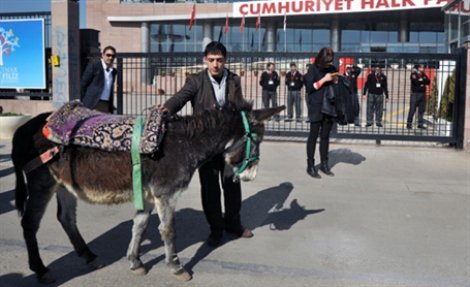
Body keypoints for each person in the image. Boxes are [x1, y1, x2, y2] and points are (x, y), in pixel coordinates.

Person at [161, 41, 253, 247]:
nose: (215, 65)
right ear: (205, 60)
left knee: (232, 185)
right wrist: (166, 109)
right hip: (206, 146)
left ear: (225, 60)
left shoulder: (234, 80)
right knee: (210, 188)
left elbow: (238, 106)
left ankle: (233, 224)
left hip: (230, 144)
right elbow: (181, 97)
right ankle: (216, 229)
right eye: (211, 60)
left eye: (219, 60)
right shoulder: (196, 81)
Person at [303, 47, 338, 179]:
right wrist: (324, 79)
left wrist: (335, 80)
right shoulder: (313, 69)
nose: (329, 63)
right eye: (327, 61)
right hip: (316, 106)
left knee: (325, 136)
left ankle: (324, 163)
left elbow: (336, 85)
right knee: (313, 135)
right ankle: (310, 165)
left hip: (329, 106)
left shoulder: (332, 69)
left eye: (331, 60)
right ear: (322, 59)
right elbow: (310, 88)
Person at [80, 46, 118, 113]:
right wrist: (85, 100)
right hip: (93, 103)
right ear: (103, 55)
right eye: (108, 55)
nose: (110, 58)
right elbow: (84, 83)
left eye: (113, 56)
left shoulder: (113, 71)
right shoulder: (95, 66)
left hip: (106, 103)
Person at [407, 64, 430, 129]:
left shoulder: (423, 74)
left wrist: (421, 80)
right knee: (412, 110)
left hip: (422, 94)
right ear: (418, 68)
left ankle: (420, 124)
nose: (423, 68)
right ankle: (409, 124)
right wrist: (423, 81)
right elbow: (416, 82)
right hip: (415, 94)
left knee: (421, 110)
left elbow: (428, 81)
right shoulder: (413, 74)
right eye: (422, 67)